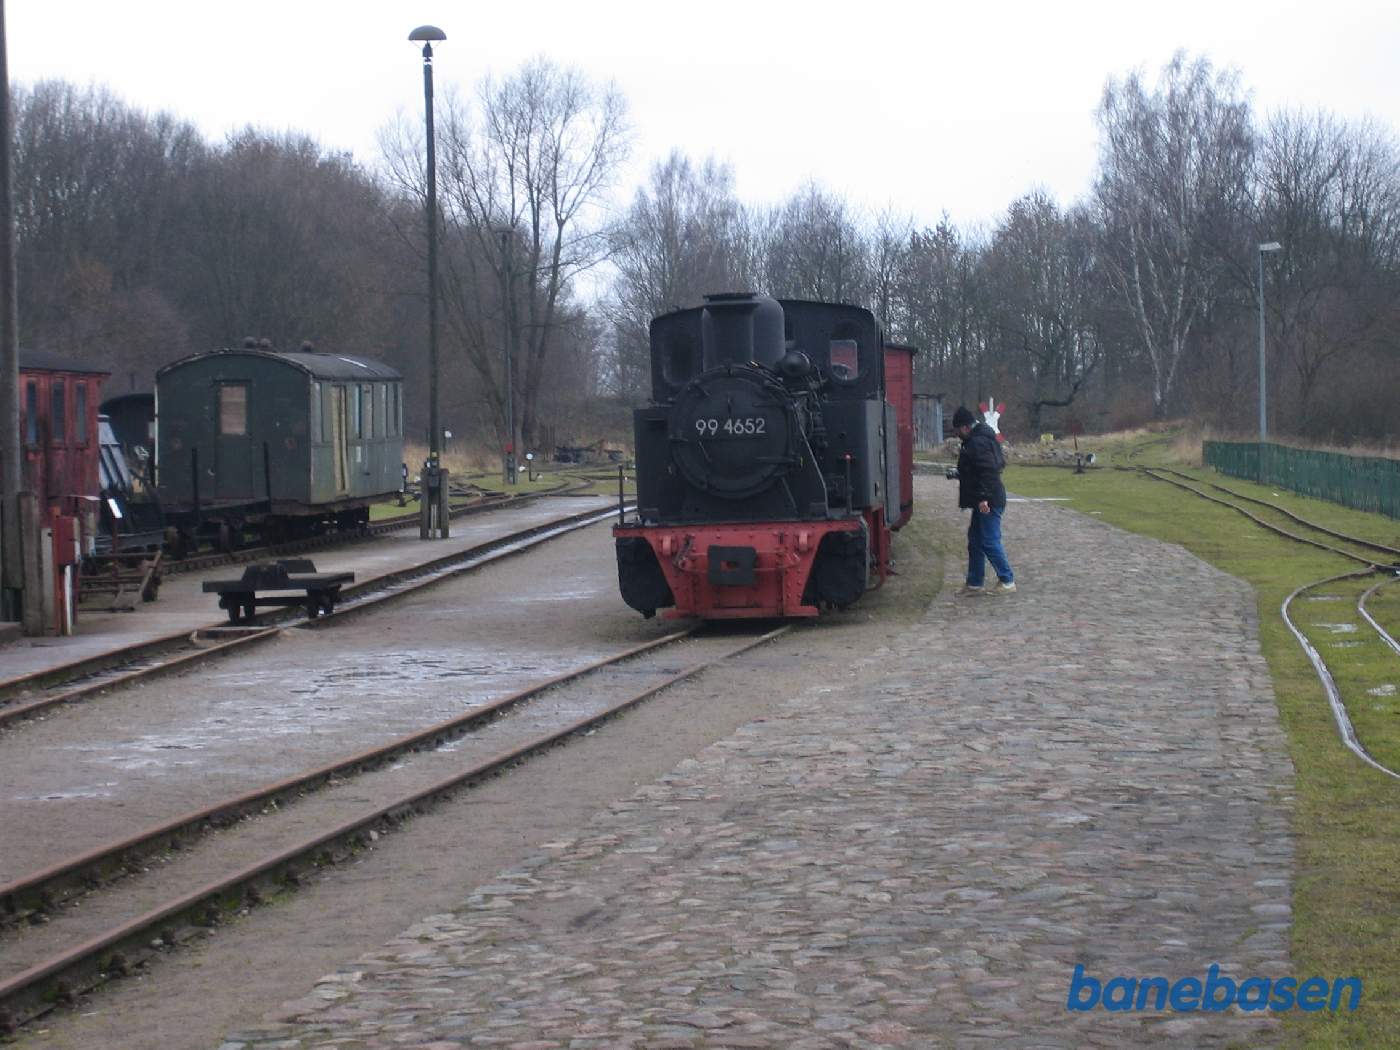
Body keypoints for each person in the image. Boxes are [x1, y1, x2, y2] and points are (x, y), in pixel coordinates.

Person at [951, 405, 1015, 596]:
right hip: (987, 497)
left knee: (988, 540)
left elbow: (988, 471)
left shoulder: (977, 443)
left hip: (989, 500)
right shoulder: (984, 439)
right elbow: (990, 466)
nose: (957, 436)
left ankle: (1007, 579)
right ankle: (975, 582)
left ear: (964, 427)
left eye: (957, 431)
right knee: (976, 540)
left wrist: (984, 498)